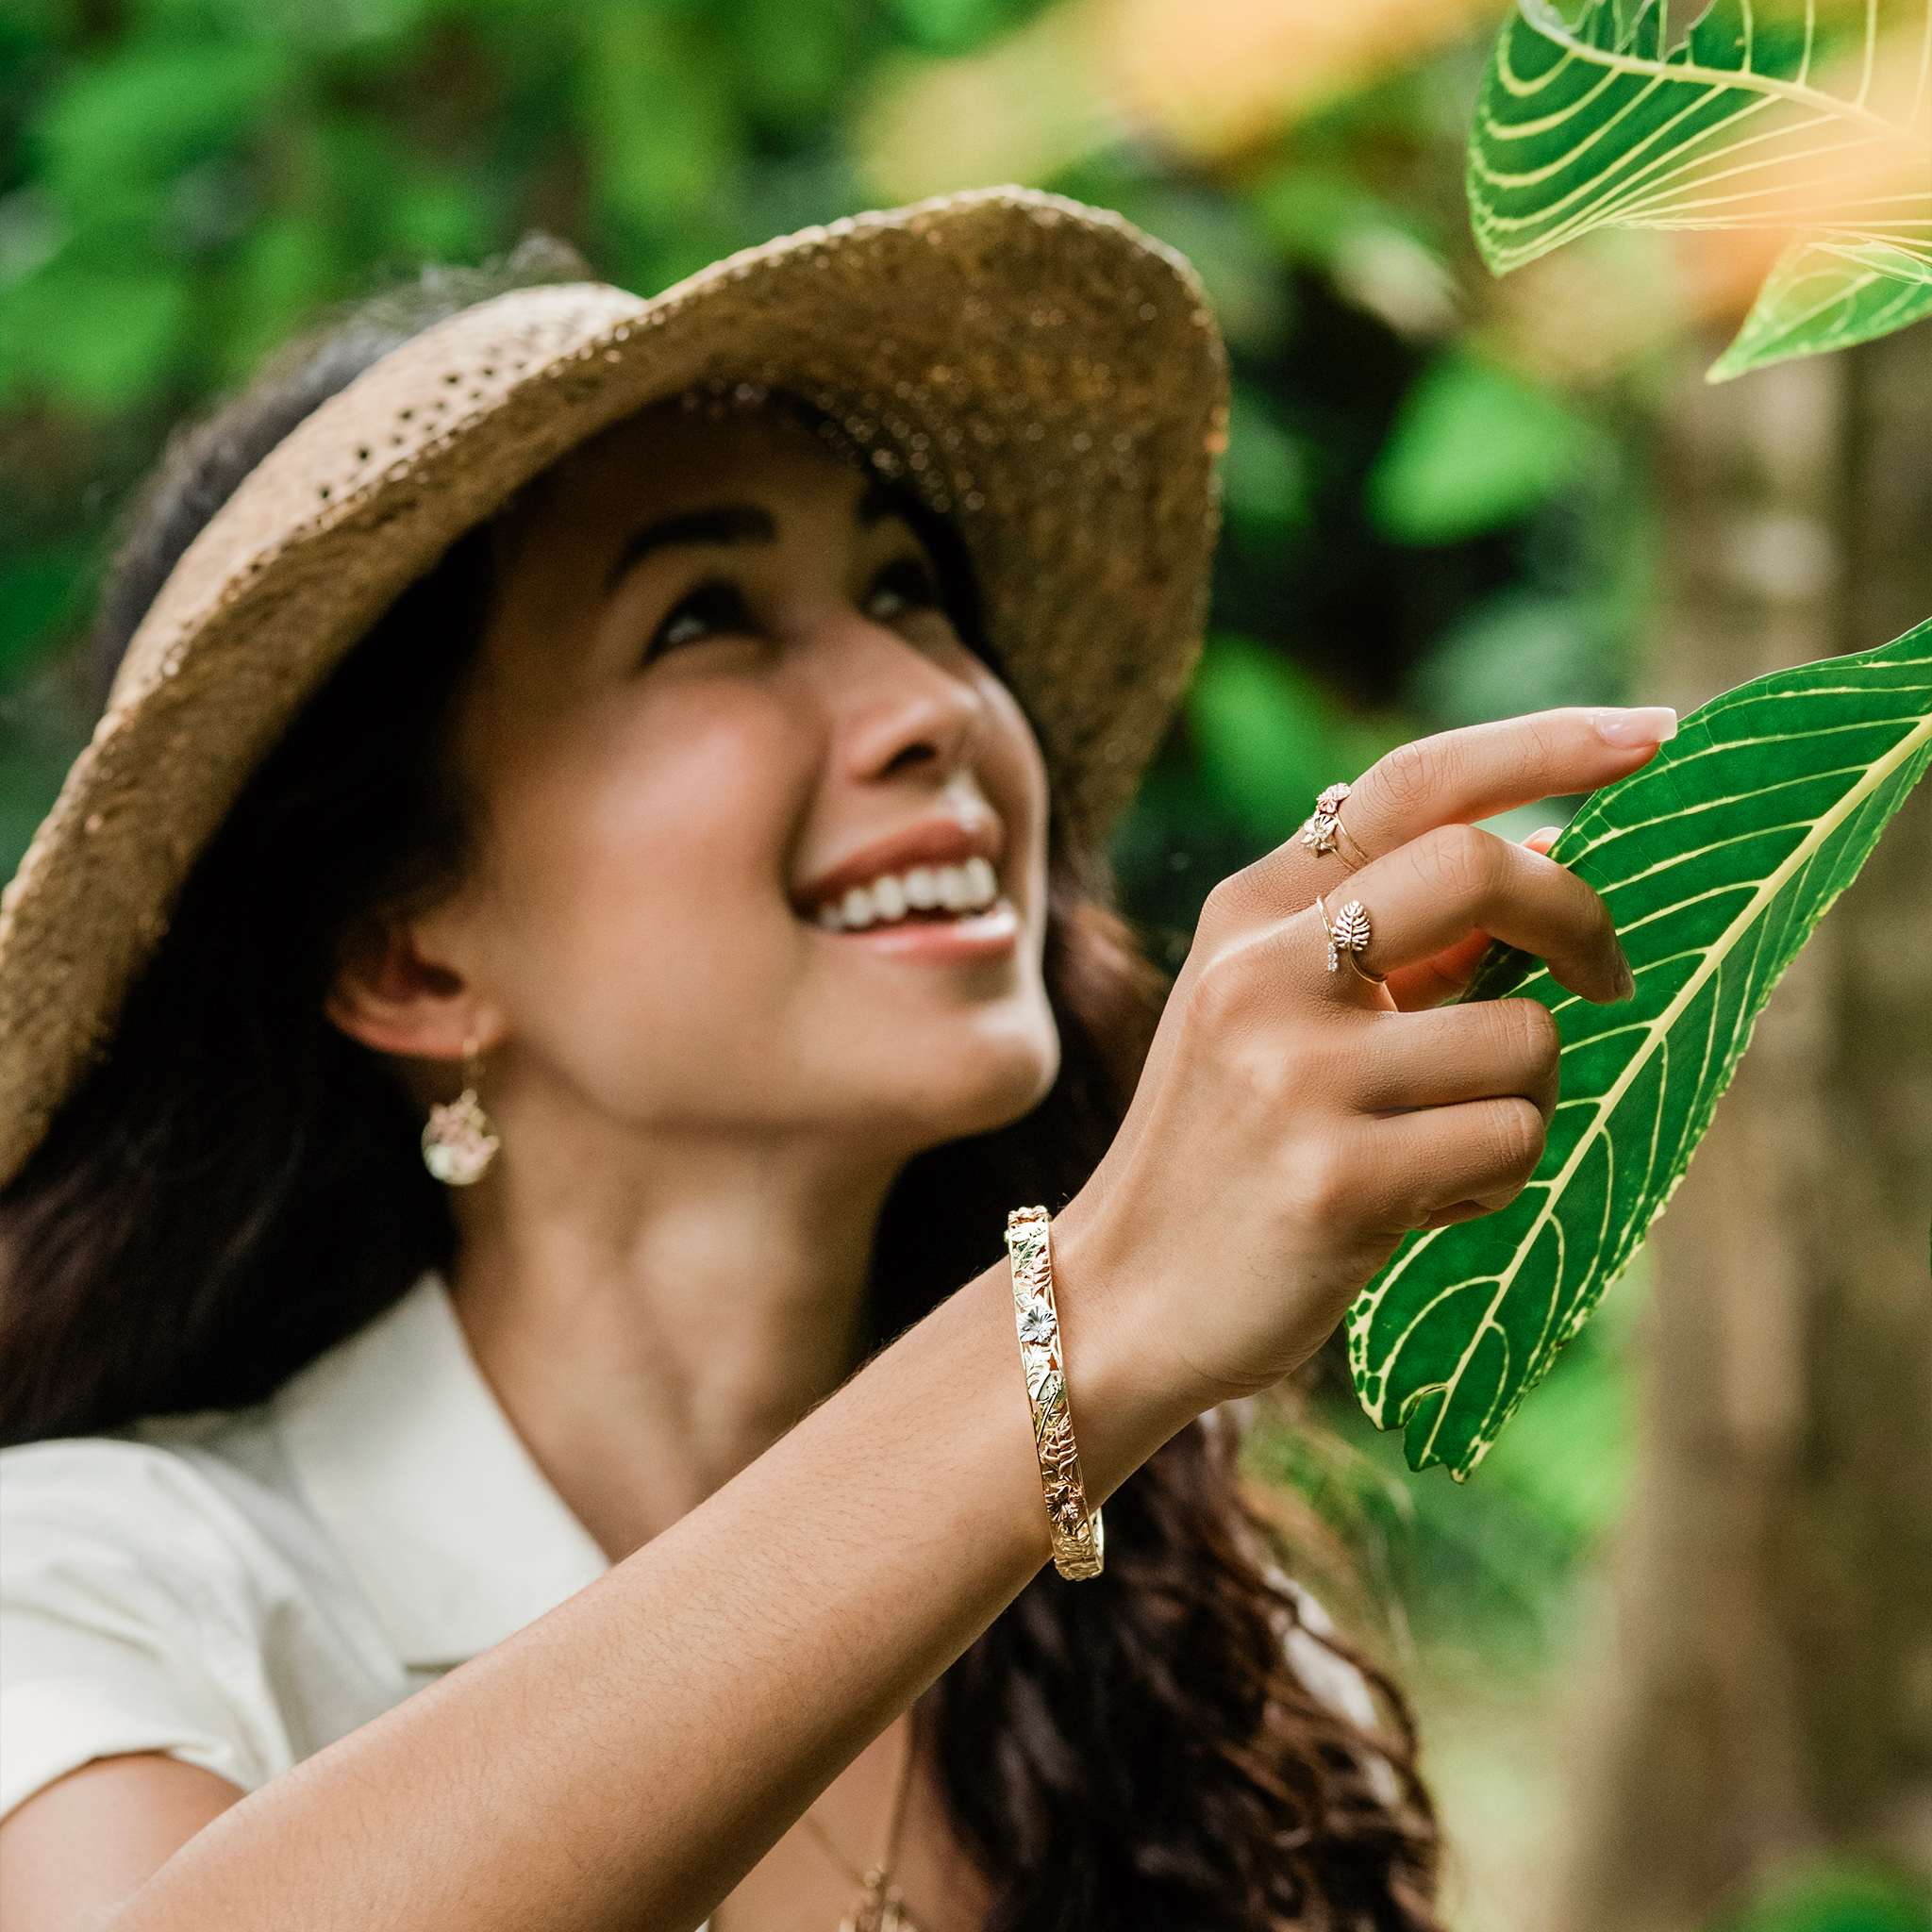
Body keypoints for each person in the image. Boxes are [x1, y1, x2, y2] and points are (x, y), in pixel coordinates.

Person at [0, 191, 1668, 1932]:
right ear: (408, 957)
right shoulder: (101, 1589)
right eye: (702, 617)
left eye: (906, 588)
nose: (934, 697)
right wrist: (1090, 1311)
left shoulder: (1210, 1667)